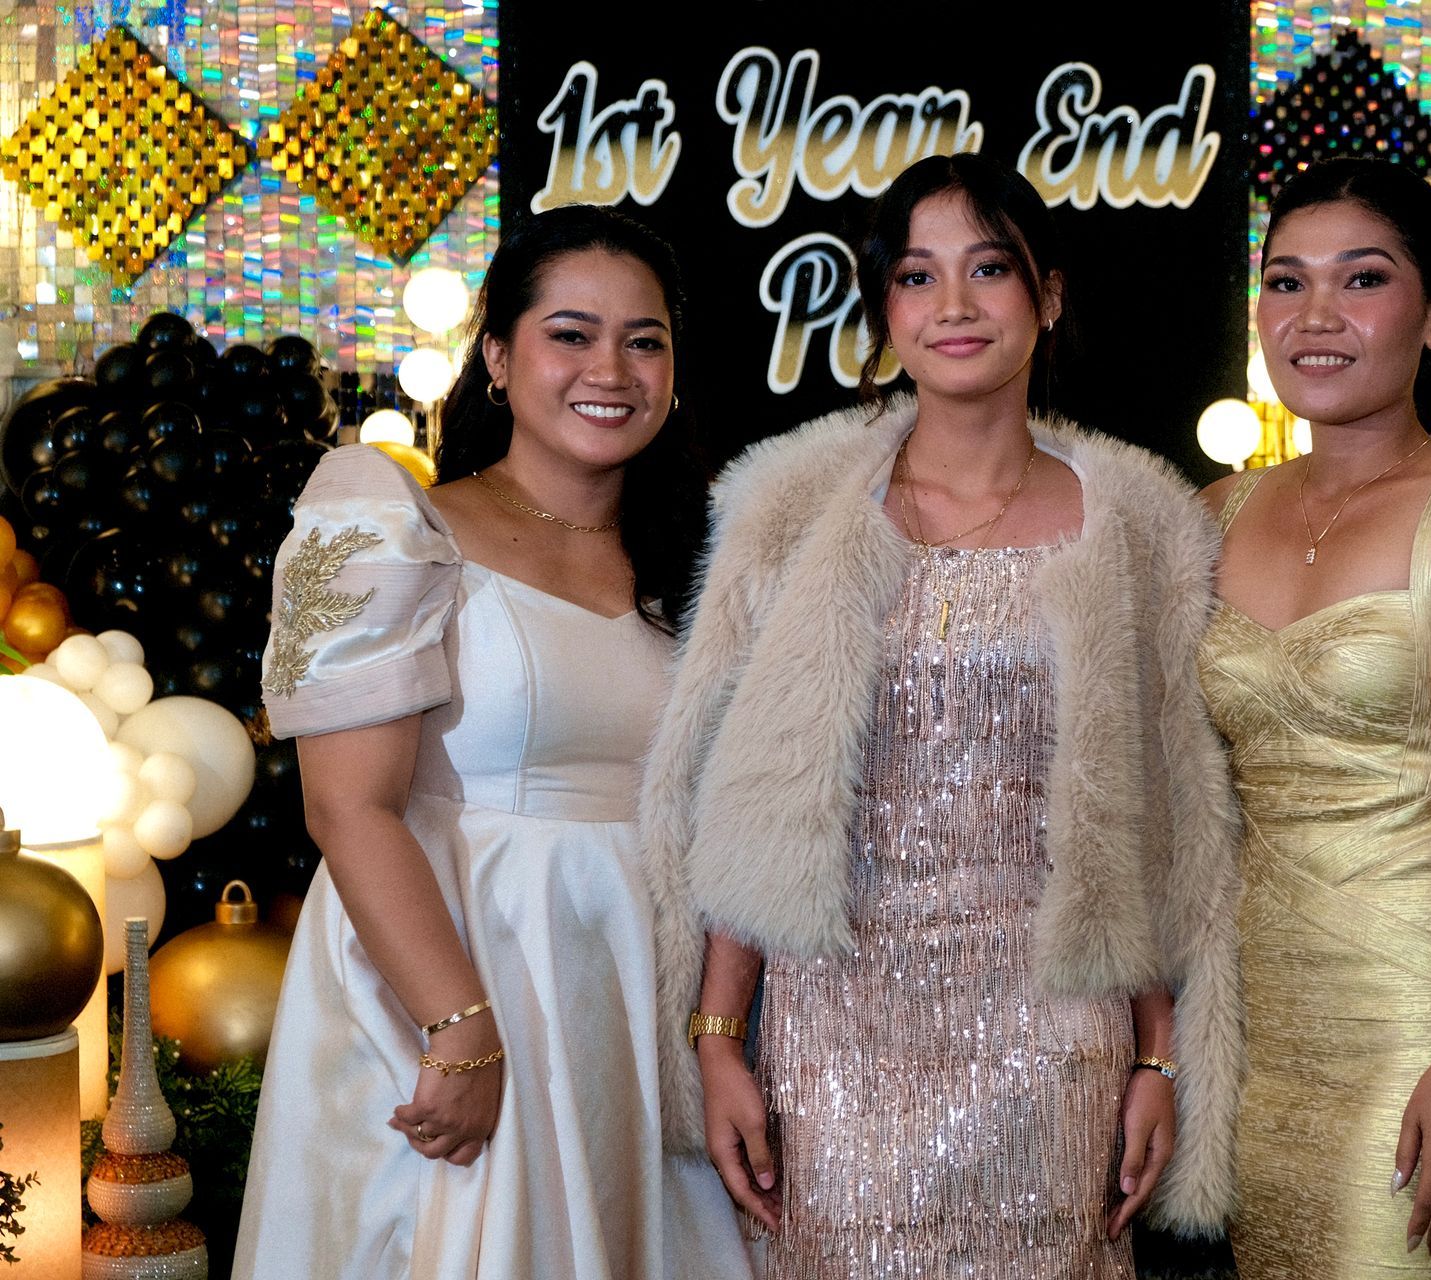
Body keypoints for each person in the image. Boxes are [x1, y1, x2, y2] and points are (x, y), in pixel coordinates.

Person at [640, 153, 1243, 1279]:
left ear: (1047, 294)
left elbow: (1155, 810)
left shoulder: (1139, 522)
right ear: (884, 309)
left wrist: (1159, 1055)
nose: (954, 306)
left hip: (1056, 1030)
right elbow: (751, 797)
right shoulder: (796, 509)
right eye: (917, 277)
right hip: (834, 1027)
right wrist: (720, 1037)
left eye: (989, 270)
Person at [234, 205, 753, 1280]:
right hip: (459, 967)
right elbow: (347, 805)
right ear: (500, 357)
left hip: (628, 987)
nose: (609, 366)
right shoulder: (395, 524)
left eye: (643, 339)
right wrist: (458, 1024)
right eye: (571, 332)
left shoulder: (699, 555)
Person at [1198, 157, 1431, 1275]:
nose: (1315, 317)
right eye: (1285, 282)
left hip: (1425, 1012)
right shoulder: (1213, 512)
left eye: (1362, 280)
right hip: (1256, 1023)